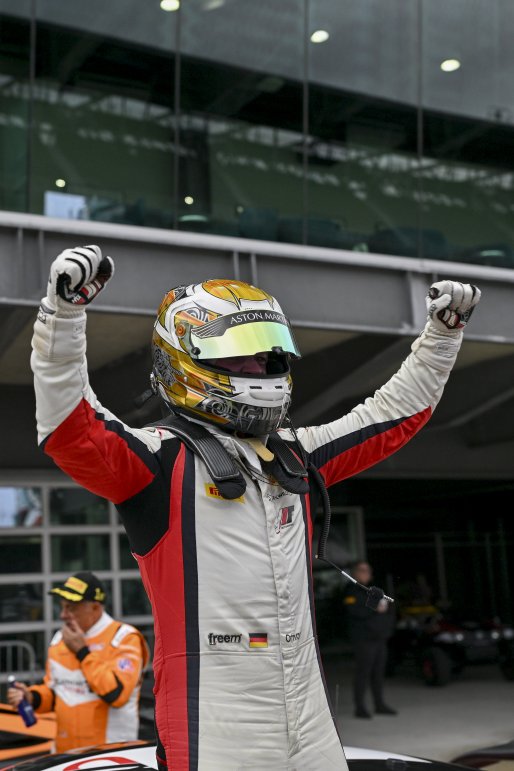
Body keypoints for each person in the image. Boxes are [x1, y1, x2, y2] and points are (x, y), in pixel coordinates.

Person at [30, 245, 480, 770]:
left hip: (311, 713)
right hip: (214, 723)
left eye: (268, 354)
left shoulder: (295, 454)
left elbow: (395, 415)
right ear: (185, 360)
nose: (260, 367)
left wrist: (443, 335)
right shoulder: (156, 460)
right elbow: (71, 429)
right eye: (239, 354)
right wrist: (62, 316)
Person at [7, 571, 149, 752]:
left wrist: (83, 652)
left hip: (109, 756)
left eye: (71, 608)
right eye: (62, 607)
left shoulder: (124, 638)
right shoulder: (60, 638)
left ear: (96, 608)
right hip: (64, 755)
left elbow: (116, 695)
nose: (63, 615)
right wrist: (31, 696)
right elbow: (55, 692)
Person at [343, 561, 396, 719]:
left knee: (378, 673)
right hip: (363, 640)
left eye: (368, 571)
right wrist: (374, 607)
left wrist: (387, 630)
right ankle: (360, 707)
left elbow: (388, 609)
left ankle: (379, 704)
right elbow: (355, 612)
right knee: (363, 673)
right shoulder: (350, 591)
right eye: (362, 570)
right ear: (354, 573)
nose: (366, 574)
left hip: (379, 638)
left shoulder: (374, 590)